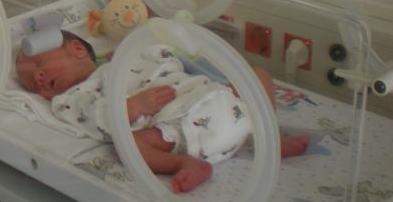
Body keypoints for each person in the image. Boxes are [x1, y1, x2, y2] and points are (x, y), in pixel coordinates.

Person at [16, 30, 309, 193]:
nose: (38, 78)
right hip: (178, 127)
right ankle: (182, 163)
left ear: (78, 49)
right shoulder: (72, 98)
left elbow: (168, 54)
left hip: (219, 99)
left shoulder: (126, 56)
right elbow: (99, 121)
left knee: (257, 75)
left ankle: (266, 135)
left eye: (40, 65)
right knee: (127, 146)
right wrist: (134, 107)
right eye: (31, 83)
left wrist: (152, 44)